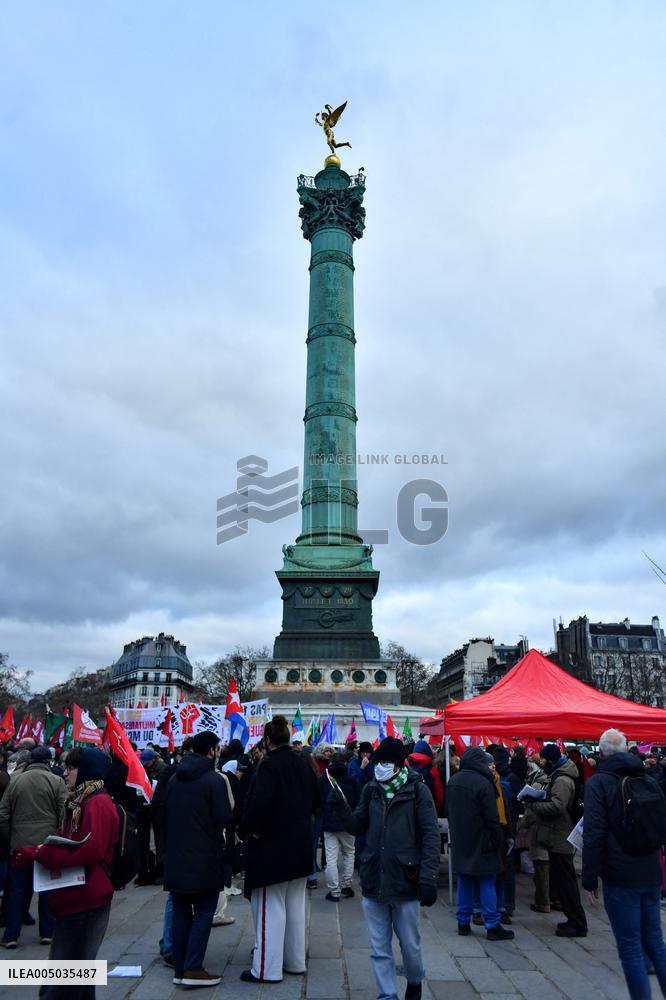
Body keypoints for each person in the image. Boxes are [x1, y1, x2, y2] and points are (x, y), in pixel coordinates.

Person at [333, 736, 440, 1000]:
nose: (380, 766)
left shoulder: (417, 790)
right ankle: (387, 995)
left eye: (385, 762)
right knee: (379, 948)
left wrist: (428, 877)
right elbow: (358, 825)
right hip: (373, 877)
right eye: (378, 761)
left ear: (399, 765)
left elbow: (430, 835)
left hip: (406, 878)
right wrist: (342, 809)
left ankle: (414, 980)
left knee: (410, 946)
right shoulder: (371, 789)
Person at [18, 747, 119, 1000]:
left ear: (86, 770)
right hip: (77, 894)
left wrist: (42, 853)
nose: (65, 773)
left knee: (65, 976)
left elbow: (88, 851)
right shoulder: (82, 799)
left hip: (86, 897)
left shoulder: (97, 802)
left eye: (71, 768)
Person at [583, 727, 666, 998]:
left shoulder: (599, 782)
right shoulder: (648, 778)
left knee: (630, 946)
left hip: (620, 874)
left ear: (602, 751)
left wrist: (589, 877)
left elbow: (593, 833)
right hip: (650, 869)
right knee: (655, 941)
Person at [240, 715, 319, 983]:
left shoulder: (269, 766)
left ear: (267, 740)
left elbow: (258, 803)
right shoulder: (305, 762)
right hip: (300, 843)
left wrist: (247, 828)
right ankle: (295, 960)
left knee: (269, 907)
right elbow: (319, 802)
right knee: (296, 906)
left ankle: (266, 968)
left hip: (272, 846)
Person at [162, 730, 232, 989]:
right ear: (211, 751)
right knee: (204, 911)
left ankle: (180, 967)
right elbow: (224, 817)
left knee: (180, 910)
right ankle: (193, 967)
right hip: (205, 857)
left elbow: (163, 813)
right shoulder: (214, 781)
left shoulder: (173, 779)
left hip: (177, 856)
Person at [0, 745, 68, 948]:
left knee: (16, 891)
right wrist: (57, 835)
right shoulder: (56, 781)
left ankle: (11, 935)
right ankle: (47, 933)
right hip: (46, 845)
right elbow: (64, 812)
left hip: (20, 845)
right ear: (48, 762)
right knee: (47, 889)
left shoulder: (15, 781)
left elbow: (3, 814)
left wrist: (13, 836)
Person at [446, 746, 514, 941]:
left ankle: (463, 921)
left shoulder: (453, 781)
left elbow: (448, 810)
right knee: (486, 880)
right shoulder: (484, 783)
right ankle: (492, 924)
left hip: (461, 838)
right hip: (482, 838)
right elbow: (491, 817)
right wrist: (497, 838)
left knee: (465, 880)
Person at [524, 743, 587, 937]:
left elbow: (557, 806)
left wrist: (534, 805)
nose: (541, 762)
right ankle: (573, 919)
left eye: (543, 758)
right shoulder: (559, 775)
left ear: (550, 759)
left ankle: (577, 923)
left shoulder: (562, 779)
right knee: (563, 880)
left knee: (566, 881)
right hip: (556, 834)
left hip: (560, 835)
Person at [319, 751, 359, 902]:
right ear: (345, 763)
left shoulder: (324, 780)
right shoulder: (352, 780)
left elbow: (318, 800)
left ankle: (334, 891)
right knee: (349, 854)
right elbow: (358, 800)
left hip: (330, 824)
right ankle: (346, 886)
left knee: (331, 858)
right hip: (348, 823)